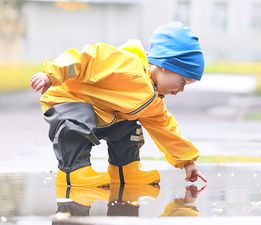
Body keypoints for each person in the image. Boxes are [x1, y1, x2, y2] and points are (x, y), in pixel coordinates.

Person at [30, 21, 208, 187]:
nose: (181, 90)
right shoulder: (126, 65)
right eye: (182, 82)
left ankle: (124, 170)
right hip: (68, 101)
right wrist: (51, 75)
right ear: (166, 65)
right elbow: (84, 60)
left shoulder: (153, 102)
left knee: (130, 126)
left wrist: (187, 162)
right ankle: (73, 172)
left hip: (100, 115)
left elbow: (166, 130)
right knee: (78, 120)